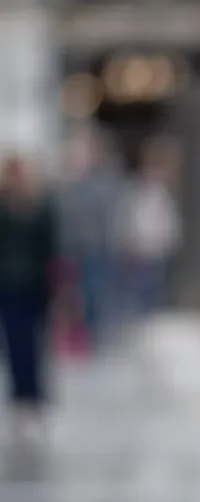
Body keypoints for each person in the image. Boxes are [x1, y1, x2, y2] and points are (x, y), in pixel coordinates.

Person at [0, 156, 58, 440]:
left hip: (34, 286)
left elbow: (50, 246)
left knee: (34, 344)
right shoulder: (5, 210)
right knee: (15, 344)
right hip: (9, 286)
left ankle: (33, 396)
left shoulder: (40, 207)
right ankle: (21, 398)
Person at [58, 128, 123, 349]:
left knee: (97, 291)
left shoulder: (108, 180)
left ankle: (95, 332)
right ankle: (85, 333)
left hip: (101, 247)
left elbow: (113, 215)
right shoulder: (77, 182)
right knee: (82, 293)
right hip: (80, 248)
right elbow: (69, 216)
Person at [115, 139, 183, 318]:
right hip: (141, 253)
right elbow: (133, 221)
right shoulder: (139, 192)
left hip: (158, 253)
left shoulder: (164, 194)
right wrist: (131, 243)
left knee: (156, 296)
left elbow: (169, 223)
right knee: (140, 297)